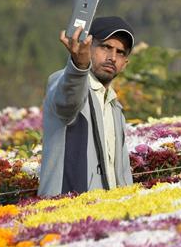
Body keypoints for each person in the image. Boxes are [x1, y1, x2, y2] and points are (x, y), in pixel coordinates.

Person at [38, 16, 136, 197]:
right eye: (106, 47)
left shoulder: (116, 108)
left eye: (120, 52)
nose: (112, 57)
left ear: (125, 64)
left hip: (107, 214)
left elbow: (122, 175)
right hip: (66, 212)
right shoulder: (64, 82)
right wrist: (79, 66)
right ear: (87, 46)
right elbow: (68, 100)